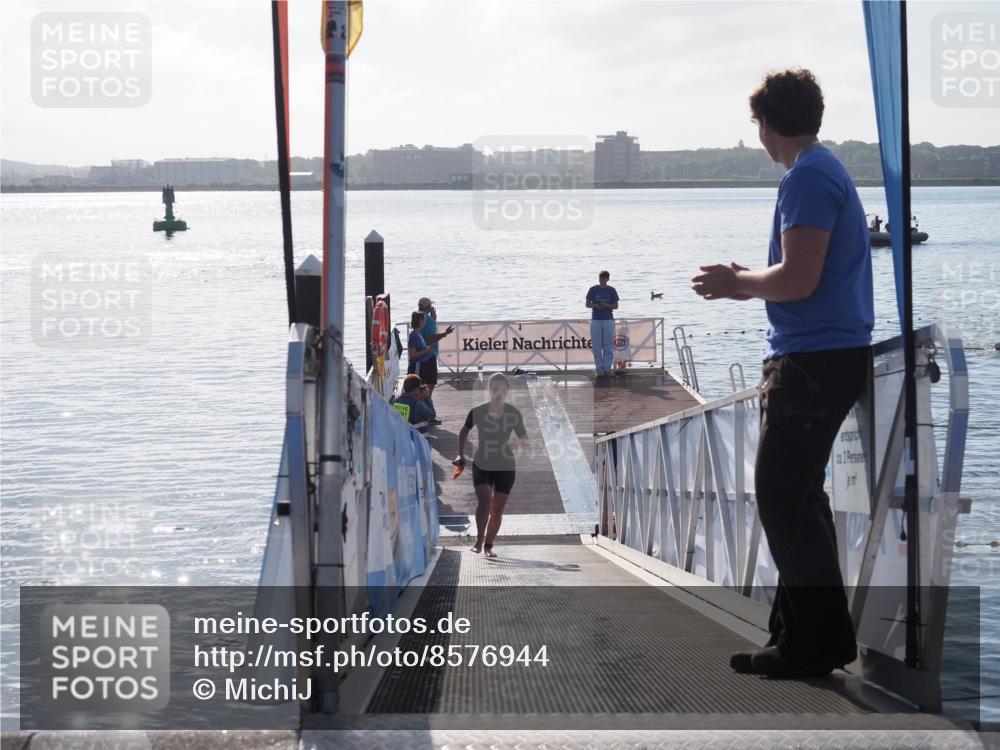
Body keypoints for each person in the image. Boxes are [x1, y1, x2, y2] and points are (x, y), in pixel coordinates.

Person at [691, 68, 873, 679]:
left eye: (758, 126)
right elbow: (801, 272)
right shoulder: (821, 172)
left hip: (813, 360)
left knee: (781, 495)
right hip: (823, 355)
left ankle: (817, 643)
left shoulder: (808, 178)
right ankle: (798, 636)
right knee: (797, 497)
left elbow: (799, 278)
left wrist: (737, 284)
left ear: (766, 125)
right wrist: (751, 282)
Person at [455, 372, 528, 558]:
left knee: (497, 508)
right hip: (483, 462)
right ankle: (479, 539)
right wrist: (460, 453)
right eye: (494, 388)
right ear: (489, 390)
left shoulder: (513, 413)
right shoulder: (478, 411)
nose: (498, 392)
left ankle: (489, 545)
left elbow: (525, 439)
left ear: (507, 391)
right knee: (485, 501)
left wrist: (517, 442)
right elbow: (463, 432)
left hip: (505, 466)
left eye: (502, 389)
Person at [416, 297, 454, 421]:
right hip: (429, 355)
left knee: (422, 384)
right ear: (428, 307)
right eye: (430, 306)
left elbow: (425, 333)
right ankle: (427, 413)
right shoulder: (428, 319)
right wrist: (445, 333)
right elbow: (431, 337)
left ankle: (424, 412)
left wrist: (434, 318)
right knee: (429, 385)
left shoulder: (418, 317)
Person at [586, 270, 619, 377]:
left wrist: (606, 305)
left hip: (608, 319)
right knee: (596, 346)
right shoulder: (593, 289)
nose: (602, 279)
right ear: (598, 278)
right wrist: (596, 305)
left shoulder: (612, 290)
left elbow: (616, 306)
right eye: (601, 277)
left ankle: (607, 368)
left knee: (608, 345)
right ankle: (599, 368)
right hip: (596, 319)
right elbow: (587, 304)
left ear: (608, 279)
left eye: (604, 277)